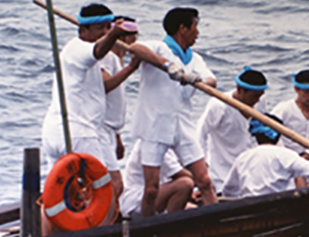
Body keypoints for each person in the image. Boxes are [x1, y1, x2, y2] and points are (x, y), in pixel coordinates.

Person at [128, 7, 218, 216]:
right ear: (183, 28)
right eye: (195, 27)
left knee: (204, 181)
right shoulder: (159, 47)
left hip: (183, 125)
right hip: (154, 125)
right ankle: (148, 233)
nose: (198, 32)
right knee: (151, 189)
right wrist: (167, 65)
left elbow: (211, 80)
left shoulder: (194, 58)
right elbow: (135, 48)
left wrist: (199, 80)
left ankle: (216, 222)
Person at [41, 4, 136, 173]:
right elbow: (98, 51)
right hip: (78, 131)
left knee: (64, 190)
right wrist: (114, 35)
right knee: (103, 185)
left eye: (108, 27)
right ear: (83, 30)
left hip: (57, 131)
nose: (105, 32)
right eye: (100, 28)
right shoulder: (77, 48)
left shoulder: (82, 54)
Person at [221, 116, 309, 198]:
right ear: (278, 136)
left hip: (251, 208)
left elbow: (228, 190)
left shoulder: (242, 158)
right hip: (282, 208)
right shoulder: (285, 155)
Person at [197, 67, 268, 192]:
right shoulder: (219, 105)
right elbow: (200, 134)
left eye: (260, 96)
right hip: (221, 170)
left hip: (250, 169)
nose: (257, 100)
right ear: (240, 90)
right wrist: (202, 164)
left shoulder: (260, 101)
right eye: (254, 96)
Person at [98, 16, 141, 198]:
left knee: (108, 181)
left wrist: (117, 137)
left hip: (110, 129)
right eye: (133, 37)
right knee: (114, 183)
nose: (136, 41)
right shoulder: (108, 57)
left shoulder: (118, 60)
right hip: (100, 128)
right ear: (123, 38)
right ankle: (107, 224)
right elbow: (104, 85)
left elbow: (112, 102)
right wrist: (131, 68)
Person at [119, 140, 194, 218]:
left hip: (150, 195)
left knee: (191, 205)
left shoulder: (164, 143)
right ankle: (170, 224)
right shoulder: (152, 144)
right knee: (185, 184)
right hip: (136, 202)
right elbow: (181, 174)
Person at [270, 69, 309, 155]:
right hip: (288, 157)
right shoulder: (283, 109)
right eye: (306, 91)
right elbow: (269, 136)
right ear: (296, 89)